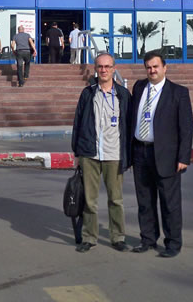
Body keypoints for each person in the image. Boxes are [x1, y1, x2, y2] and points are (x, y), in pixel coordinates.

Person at [129, 50, 193, 258]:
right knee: (144, 201)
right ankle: (148, 239)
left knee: (169, 203)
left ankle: (173, 243)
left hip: (166, 156)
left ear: (165, 68)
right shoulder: (139, 87)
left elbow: (186, 128)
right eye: (148, 67)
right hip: (140, 152)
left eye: (156, 66)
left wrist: (183, 157)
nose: (152, 70)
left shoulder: (178, 93)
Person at [71, 52, 132, 253]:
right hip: (90, 154)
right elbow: (78, 122)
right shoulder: (88, 93)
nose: (104, 70)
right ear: (95, 69)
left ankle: (118, 237)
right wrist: (77, 152)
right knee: (90, 200)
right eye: (100, 66)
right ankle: (89, 237)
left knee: (116, 199)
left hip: (114, 155)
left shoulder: (123, 95)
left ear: (114, 69)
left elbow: (129, 126)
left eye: (107, 66)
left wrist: (129, 155)